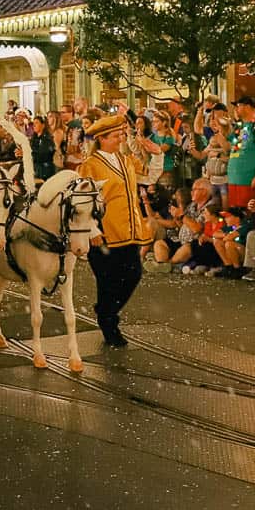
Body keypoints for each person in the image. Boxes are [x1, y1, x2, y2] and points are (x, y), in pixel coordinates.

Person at [78, 114, 151, 347]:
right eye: (117, 134)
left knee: (133, 275)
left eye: (122, 133)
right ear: (102, 139)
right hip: (104, 231)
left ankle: (106, 311)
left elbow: (149, 169)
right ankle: (109, 324)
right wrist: (91, 230)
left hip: (129, 229)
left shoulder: (125, 159)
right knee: (107, 280)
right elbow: (82, 200)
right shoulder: (90, 165)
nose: (121, 137)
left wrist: (138, 142)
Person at [225, 96, 255, 207]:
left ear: (247, 107)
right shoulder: (239, 127)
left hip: (248, 179)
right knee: (235, 214)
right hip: (234, 179)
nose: (236, 109)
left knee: (248, 212)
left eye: (238, 106)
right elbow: (232, 148)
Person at [30, 116, 57, 183]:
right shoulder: (33, 139)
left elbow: (43, 156)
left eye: (36, 123)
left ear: (43, 125)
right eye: (33, 123)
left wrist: (28, 153)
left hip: (45, 171)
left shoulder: (48, 139)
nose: (34, 125)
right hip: (35, 169)